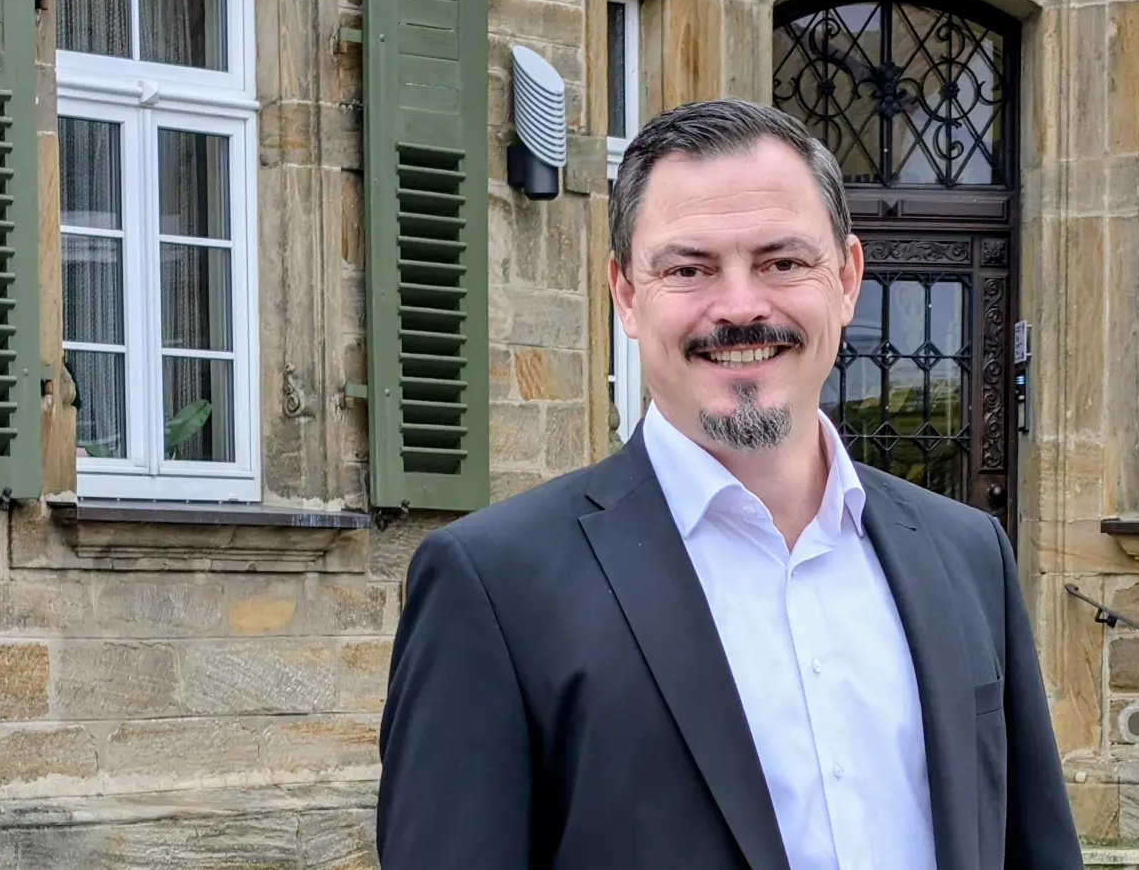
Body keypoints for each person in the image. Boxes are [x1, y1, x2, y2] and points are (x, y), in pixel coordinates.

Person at [376, 98, 1084, 870]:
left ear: (847, 280)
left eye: (782, 262)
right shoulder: (494, 586)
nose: (742, 307)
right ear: (626, 295)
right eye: (690, 269)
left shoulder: (967, 552)